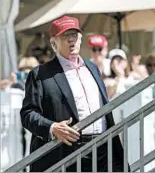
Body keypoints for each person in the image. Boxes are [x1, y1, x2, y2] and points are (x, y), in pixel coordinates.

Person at [20, 16, 125, 172]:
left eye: (74, 35)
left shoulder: (92, 68)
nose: (71, 40)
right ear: (54, 42)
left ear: (80, 39)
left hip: (102, 147)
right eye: (65, 36)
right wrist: (52, 127)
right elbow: (28, 114)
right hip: (67, 152)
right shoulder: (40, 74)